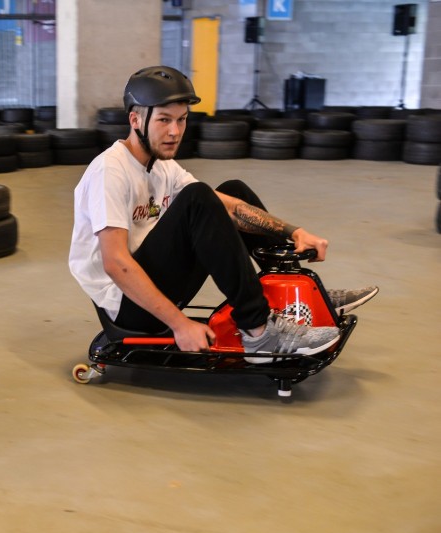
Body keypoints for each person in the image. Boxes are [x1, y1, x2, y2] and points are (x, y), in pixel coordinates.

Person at [69, 66, 378, 362]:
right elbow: (116, 263)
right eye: (164, 120)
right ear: (136, 120)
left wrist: (293, 232)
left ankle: (298, 293)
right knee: (198, 197)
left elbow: (228, 206)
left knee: (233, 192)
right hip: (128, 306)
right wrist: (180, 324)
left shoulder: (161, 165)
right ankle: (259, 332)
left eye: (182, 120)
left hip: (153, 282)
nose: (175, 131)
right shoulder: (110, 171)